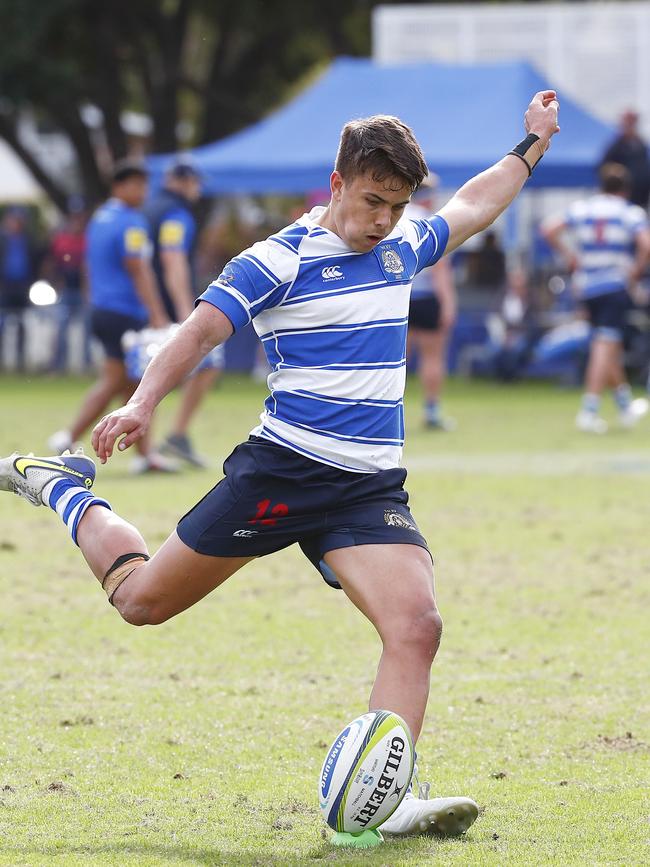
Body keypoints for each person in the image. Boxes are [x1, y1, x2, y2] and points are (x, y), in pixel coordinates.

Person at [1, 91, 560, 842]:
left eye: (396, 206)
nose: (383, 221)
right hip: (282, 472)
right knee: (142, 602)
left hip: (366, 488)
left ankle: (381, 801)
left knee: (416, 624)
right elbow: (196, 335)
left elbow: (474, 203)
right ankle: (65, 489)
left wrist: (532, 143)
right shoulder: (276, 260)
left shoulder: (401, 246)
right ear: (336, 181)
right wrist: (139, 404)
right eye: (371, 201)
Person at [47, 160, 176, 473]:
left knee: (128, 383)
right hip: (124, 311)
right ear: (121, 186)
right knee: (130, 381)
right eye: (138, 185)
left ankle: (144, 456)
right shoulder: (131, 222)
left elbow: (89, 266)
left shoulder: (99, 219)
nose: (143, 192)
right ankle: (68, 438)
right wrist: (157, 313)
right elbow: (138, 268)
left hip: (102, 310)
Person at [542, 163, 650, 433]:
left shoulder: (583, 208)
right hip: (613, 285)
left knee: (605, 346)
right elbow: (646, 245)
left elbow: (549, 229)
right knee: (606, 345)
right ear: (625, 189)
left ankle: (625, 405)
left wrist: (571, 257)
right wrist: (635, 272)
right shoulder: (629, 212)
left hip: (587, 287)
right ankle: (589, 411)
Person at [144, 160, 222, 467]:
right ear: (184, 181)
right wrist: (184, 311)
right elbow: (172, 259)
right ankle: (175, 436)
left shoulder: (149, 207)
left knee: (132, 374)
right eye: (195, 182)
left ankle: (150, 446)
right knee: (208, 362)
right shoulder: (177, 213)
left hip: (146, 304)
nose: (198, 189)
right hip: (165, 307)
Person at [406, 175, 457, 430]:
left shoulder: (389, 218)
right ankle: (432, 411)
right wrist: (448, 304)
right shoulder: (428, 221)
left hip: (394, 296)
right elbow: (440, 270)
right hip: (426, 296)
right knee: (432, 357)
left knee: (390, 360)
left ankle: (382, 414)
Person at [43, 199, 92, 372]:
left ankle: (86, 365)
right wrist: (54, 283)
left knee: (87, 329)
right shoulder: (60, 238)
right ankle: (58, 365)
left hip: (83, 289)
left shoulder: (89, 237)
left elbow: (89, 266)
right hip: (65, 289)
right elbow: (51, 263)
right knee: (61, 328)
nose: (77, 219)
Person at [0, 207, 40, 370]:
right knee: (2, 325)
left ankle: (20, 361)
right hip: (4, 287)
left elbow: (36, 262)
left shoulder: (28, 240)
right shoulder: (2, 239)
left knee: (22, 325)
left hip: (23, 287)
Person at [600, 110, 650, 210]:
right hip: (619, 200)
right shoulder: (616, 146)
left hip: (641, 198)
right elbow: (604, 168)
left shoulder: (641, 145)